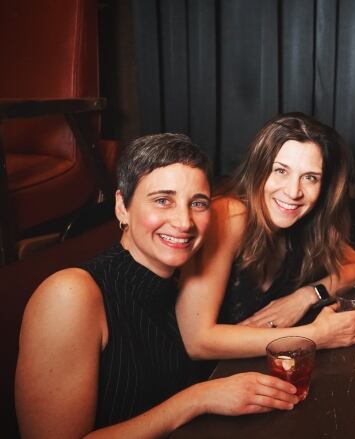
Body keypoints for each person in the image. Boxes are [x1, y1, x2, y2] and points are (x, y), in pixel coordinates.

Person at [15, 134, 300, 438]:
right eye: (163, 200)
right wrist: (198, 399)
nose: (184, 222)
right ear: (122, 207)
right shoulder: (70, 294)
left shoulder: (180, 288)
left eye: (198, 203)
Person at [177, 113, 355, 359]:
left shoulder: (308, 223)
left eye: (310, 178)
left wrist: (305, 297)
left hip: (252, 370)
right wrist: (315, 336)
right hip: (200, 378)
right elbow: (195, 342)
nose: (294, 192)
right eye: (281, 170)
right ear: (258, 169)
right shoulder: (229, 215)